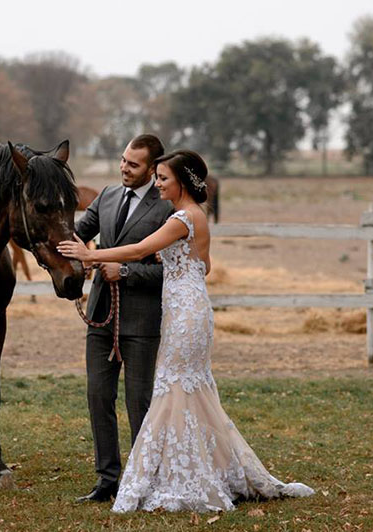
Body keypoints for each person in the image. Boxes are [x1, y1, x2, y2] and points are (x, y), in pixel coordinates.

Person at [58, 150, 314, 513]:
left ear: (181, 181)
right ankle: (191, 467)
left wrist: (92, 257)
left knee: (172, 388)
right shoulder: (198, 216)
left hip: (184, 316)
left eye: (163, 178)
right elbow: (204, 266)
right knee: (190, 390)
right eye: (158, 177)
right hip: (190, 308)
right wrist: (175, 261)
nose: (158, 183)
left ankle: (173, 476)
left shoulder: (181, 217)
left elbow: (141, 248)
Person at [72, 134, 174, 502]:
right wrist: (73, 258)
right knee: (98, 397)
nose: (124, 168)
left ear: (151, 168)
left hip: (142, 322)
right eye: (122, 160)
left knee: (139, 403)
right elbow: (76, 236)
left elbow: (174, 272)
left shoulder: (167, 209)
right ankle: (107, 479)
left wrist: (126, 271)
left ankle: (143, 480)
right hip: (101, 317)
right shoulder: (107, 196)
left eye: (133, 164)